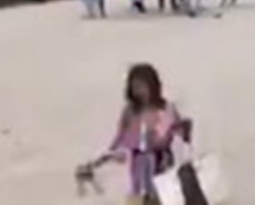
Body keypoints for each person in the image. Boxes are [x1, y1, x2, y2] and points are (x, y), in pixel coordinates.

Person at [74, 63, 187, 205]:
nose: (138, 91)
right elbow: (121, 139)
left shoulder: (166, 109)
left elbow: (176, 139)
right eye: (135, 87)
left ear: (152, 85)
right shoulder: (130, 111)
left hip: (162, 170)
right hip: (136, 170)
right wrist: (102, 161)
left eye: (141, 86)